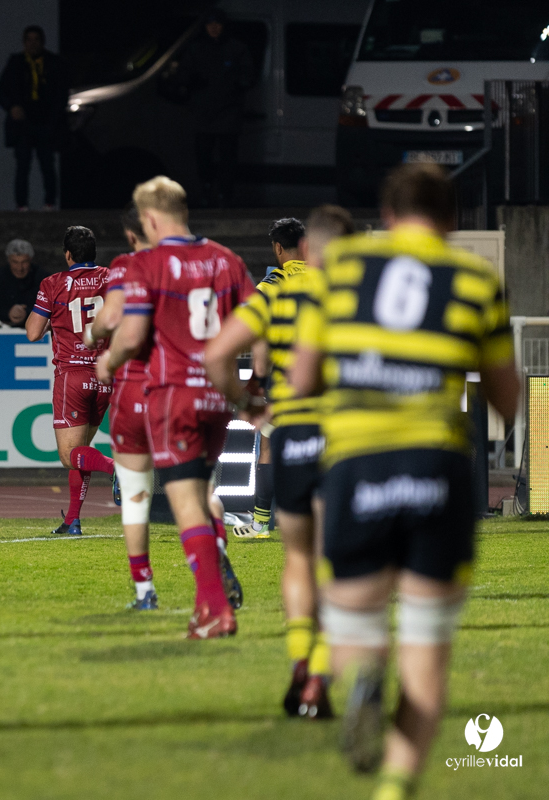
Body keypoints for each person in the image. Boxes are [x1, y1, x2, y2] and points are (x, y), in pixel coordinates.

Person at [289, 165, 518, 799]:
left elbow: (302, 380)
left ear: (387, 217)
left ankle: (361, 673)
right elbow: (506, 398)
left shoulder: (342, 268)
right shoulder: (474, 278)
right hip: (436, 469)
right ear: (451, 222)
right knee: (426, 642)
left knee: (357, 628)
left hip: (359, 465)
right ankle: (394, 785)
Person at [206, 206, 355, 720]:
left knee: (297, 558)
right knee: (338, 558)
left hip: (294, 429)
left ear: (280, 249)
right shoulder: (354, 291)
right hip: (346, 434)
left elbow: (223, 353)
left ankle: (299, 657)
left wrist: (250, 397)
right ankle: (324, 667)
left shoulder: (271, 291)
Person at [97, 176, 256, 639]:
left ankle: (213, 609)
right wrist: (250, 384)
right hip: (217, 396)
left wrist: (107, 357)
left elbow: (127, 333)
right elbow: (258, 317)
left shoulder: (148, 263)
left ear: (148, 218)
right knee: (203, 493)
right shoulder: (228, 259)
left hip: (173, 394)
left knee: (183, 504)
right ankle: (210, 600)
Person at [85, 204, 158, 608]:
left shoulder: (128, 266)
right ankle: (215, 571)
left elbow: (114, 323)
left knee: (134, 494)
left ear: (132, 234)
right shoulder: (213, 259)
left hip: (137, 386)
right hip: (187, 388)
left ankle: (145, 591)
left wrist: (99, 346)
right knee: (194, 493)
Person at [25, 226, 117, 536]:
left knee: (69, 456)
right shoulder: (112, 278)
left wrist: (56, 319)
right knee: (82, 453)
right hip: (106, 377)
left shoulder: (53, 284)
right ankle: (72, 521)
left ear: (67, 255)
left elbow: (32, 332)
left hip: (72, 375)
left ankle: (120, 471)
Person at [231, 217, 308, 539]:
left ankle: (261, 522)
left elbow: (249, 327)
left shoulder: (272, 283)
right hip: (327, 379)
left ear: (278, 247)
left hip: (285, 379)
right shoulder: (330, 279)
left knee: (269, 447)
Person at [174, 9, 255, 208]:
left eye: (218, 24)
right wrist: (190, 81)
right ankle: (207, 191)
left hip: (228, 113)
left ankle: (225, 194)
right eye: (210, 24)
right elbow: (182, 76)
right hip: (203, 114)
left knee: (228, 158)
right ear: (205, 26)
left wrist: (238, 83)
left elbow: (248, 75)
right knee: (204, 157)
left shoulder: (237, 48)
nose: (214, 28)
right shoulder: (195, 49)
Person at [0, 25, 68, 210]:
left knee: (47, 165)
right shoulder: (16, 63)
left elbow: (61, 93)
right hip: (23, 123)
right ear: (24, 42)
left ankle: (49, 204)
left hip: (45, 122)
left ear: (42, 42)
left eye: (36, 40)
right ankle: (22, 206)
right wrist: (12, 107)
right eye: (29, 40)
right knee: (23, 165)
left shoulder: (53, 63)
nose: (33, 44)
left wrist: (54, 117)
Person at [0, 239, 46, 326]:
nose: (20, 268)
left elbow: (54, 307)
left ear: (30, 260)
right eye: (15, 262)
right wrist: (7, 313)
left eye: (24, 262)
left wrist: (27, 313)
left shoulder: (43, 279)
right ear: (8, 260)